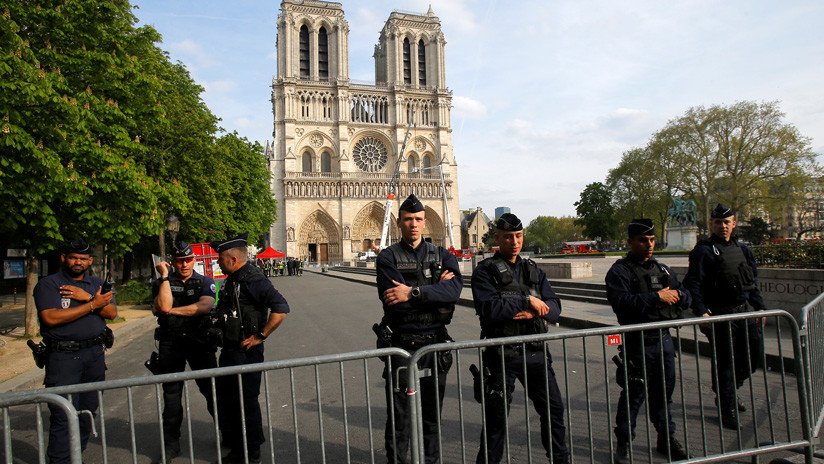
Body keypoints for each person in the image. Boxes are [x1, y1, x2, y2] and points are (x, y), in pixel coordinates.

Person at [472, 213, 569, 464]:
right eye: (508, 237)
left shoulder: (533, 270)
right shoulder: (485, 272)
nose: (514, 242)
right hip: (502, 354)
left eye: (518, 236)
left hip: (535, 351)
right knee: (496, 422)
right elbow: (488, 308)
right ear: (497, 238)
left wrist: (538, 308)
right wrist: (527, 301)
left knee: (554, 411)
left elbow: (555, 305)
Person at [375, 193, 462, 464]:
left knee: (432, 418)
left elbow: (455, 290)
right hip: (402, 345)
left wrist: (411, 293)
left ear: (425, 222)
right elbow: (394, 302)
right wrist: (435, 290)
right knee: (400, 419)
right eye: (408, 219)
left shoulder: (443, 254)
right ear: (399, 222)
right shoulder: (387, 258)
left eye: (418, 219)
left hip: (434, 344)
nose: (414, 224)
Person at [605, 219, 691, 463]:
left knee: (664, 393)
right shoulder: (620, 271)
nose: (649, 245)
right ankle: (624, 441)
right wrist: (656, 297)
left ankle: (666, 437)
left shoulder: (662, 270)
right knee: (634, 394)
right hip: (637, 341)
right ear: (630, 242)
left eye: (652, 240)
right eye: (643, 240)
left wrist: (679, 295)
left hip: (663, 340)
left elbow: (687, 295)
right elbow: (621, 303)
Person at [684, 203, 767, 429]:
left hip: (744, 311)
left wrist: (760, 308)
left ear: (734, 223)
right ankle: (727, 406)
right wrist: (701, 310)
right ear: (712, 224)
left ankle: (725, 389)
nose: (722, 226)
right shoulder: (703, 251)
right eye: (718, 222)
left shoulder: (744, 250)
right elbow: (693, 283)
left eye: (726, 222)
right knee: (726, 363)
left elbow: (752, 282)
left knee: (753, 358)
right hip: (720, 314)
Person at [34, 239, 117, 464]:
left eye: (83, 258)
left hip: (94, 356)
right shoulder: (50, 284)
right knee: (63, 415)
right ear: (64, 258)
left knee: (87, 413)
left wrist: (89, 298)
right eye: (73, 257)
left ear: (90, 261)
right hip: (63, 358)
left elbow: (111, 313)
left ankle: (76, 457)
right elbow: (50, 317)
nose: (78, 262)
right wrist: (92, 306)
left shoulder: (96, 283)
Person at [211, 234, 290, 464]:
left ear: (233, 259)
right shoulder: (235, 278)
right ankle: (238, 447)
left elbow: (281, 308)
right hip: (231, 349)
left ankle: (250, 452)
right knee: (230, 401)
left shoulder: (253, 280)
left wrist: (260, 336)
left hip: (245, 352)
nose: (217, 263)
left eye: (220, 259)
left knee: (246, 402)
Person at [151, 241, 218, 463]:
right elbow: (162, 305)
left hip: (199, 342)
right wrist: (163, 278)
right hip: (171, 344)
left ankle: (227, 433)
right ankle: (171, 445)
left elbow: (204, 307)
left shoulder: (205, 281)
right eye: (180, 261)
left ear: (194, 260)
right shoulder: (164, 282)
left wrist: (172, 311)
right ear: (173, 262)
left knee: (212, 392)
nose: (184, 264)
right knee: (171, 397)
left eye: (188, 260)